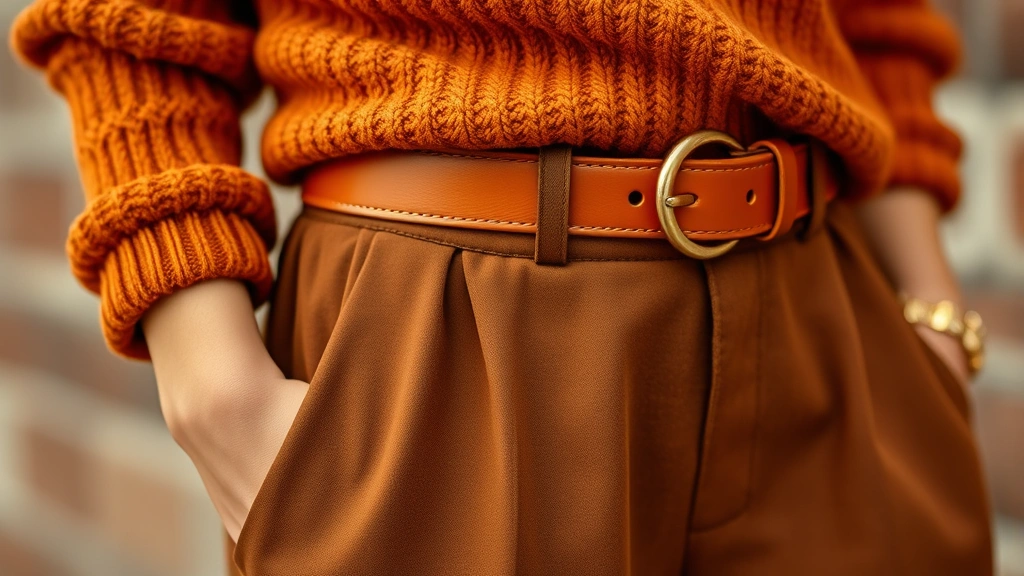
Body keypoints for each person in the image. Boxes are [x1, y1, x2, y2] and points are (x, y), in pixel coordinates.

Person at [11, 0, 993, 574]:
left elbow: (878, 21)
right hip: (449, 338)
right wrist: (211, 384)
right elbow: (131, 20)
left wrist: (929, 305)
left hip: (827, 314)